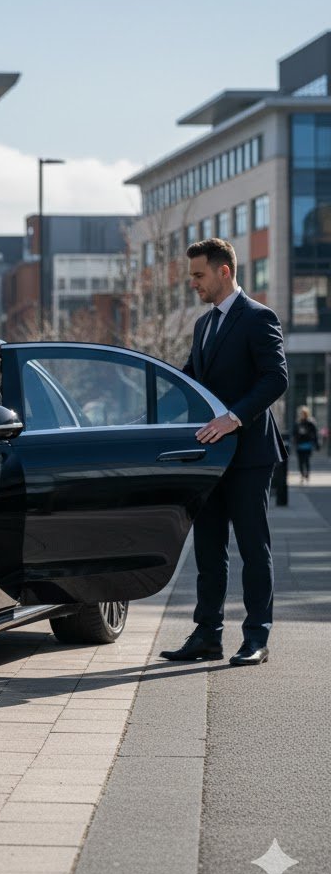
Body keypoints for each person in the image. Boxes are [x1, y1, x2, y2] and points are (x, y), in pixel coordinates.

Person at [160, 238, 288, 667]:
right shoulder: (203, 325)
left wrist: (233, 417)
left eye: (198, 275)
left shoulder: (257, 317)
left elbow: (276, 379)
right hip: (209, 456)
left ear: (224, 272)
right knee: (208, 548)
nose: (193, 284)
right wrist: (145, 405)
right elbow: (190, 382)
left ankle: (256, 638)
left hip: (250, 452)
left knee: (253, 548)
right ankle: (207, 635)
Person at [292, 405, 320, 483]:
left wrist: (316, 444)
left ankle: (307, 474)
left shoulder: (311, 423)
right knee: (300, 461)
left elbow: (315, 434)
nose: (302, 415)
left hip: (307, 445)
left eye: (303, 413)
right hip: (299, 445)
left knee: (306, 460)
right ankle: (302, 474)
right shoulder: (297, 423)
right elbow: (294, 433)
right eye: (301, 413)